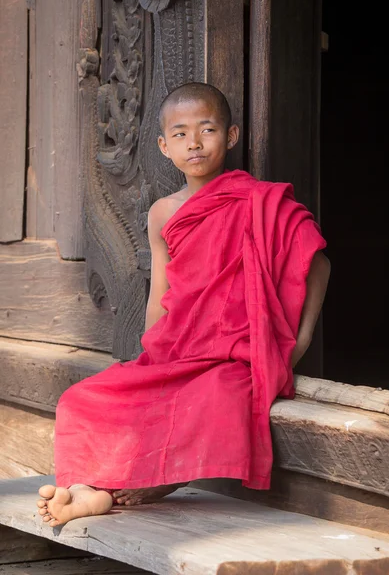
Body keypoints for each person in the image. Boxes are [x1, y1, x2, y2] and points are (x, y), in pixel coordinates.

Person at [37, 82, 330, 526]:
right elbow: (161, 293)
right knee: (84, 398)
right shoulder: (163, 213)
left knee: (211, 402)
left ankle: (121, 487)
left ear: (230, 137)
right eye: (180, 133)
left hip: (233, 354)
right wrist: (149, 360)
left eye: (207, 129)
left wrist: (299, 340)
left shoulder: (260, 201)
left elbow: (318, 263)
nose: (194, 143)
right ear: (163, 145)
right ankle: (85, 487)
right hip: (177, 347)